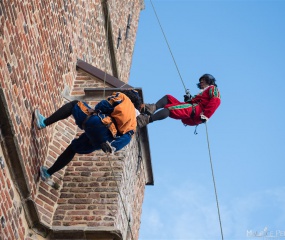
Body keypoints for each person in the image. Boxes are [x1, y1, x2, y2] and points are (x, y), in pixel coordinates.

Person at [35, 90, 142, 182]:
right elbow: (126, 139)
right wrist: (112, 146)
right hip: (103, 141)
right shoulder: (134, 124)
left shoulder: (123, 98)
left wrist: (98, 109)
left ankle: (43, 122)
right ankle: (47, 173)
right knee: (73, 148)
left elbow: (105, 105)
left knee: (75, 104)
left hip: (99, 123)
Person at [137, 74, 221, 128]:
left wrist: (206, 115)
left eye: (203, 79)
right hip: (194, 110)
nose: (201, 81)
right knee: (168, 98)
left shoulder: (213, 88)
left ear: (209, 81)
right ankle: (151, 108)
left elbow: (216, 101)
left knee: (170, 109)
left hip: (197, 110)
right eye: (200, 80)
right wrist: (189, 100)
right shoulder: (202, 92)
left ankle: (145, 120)